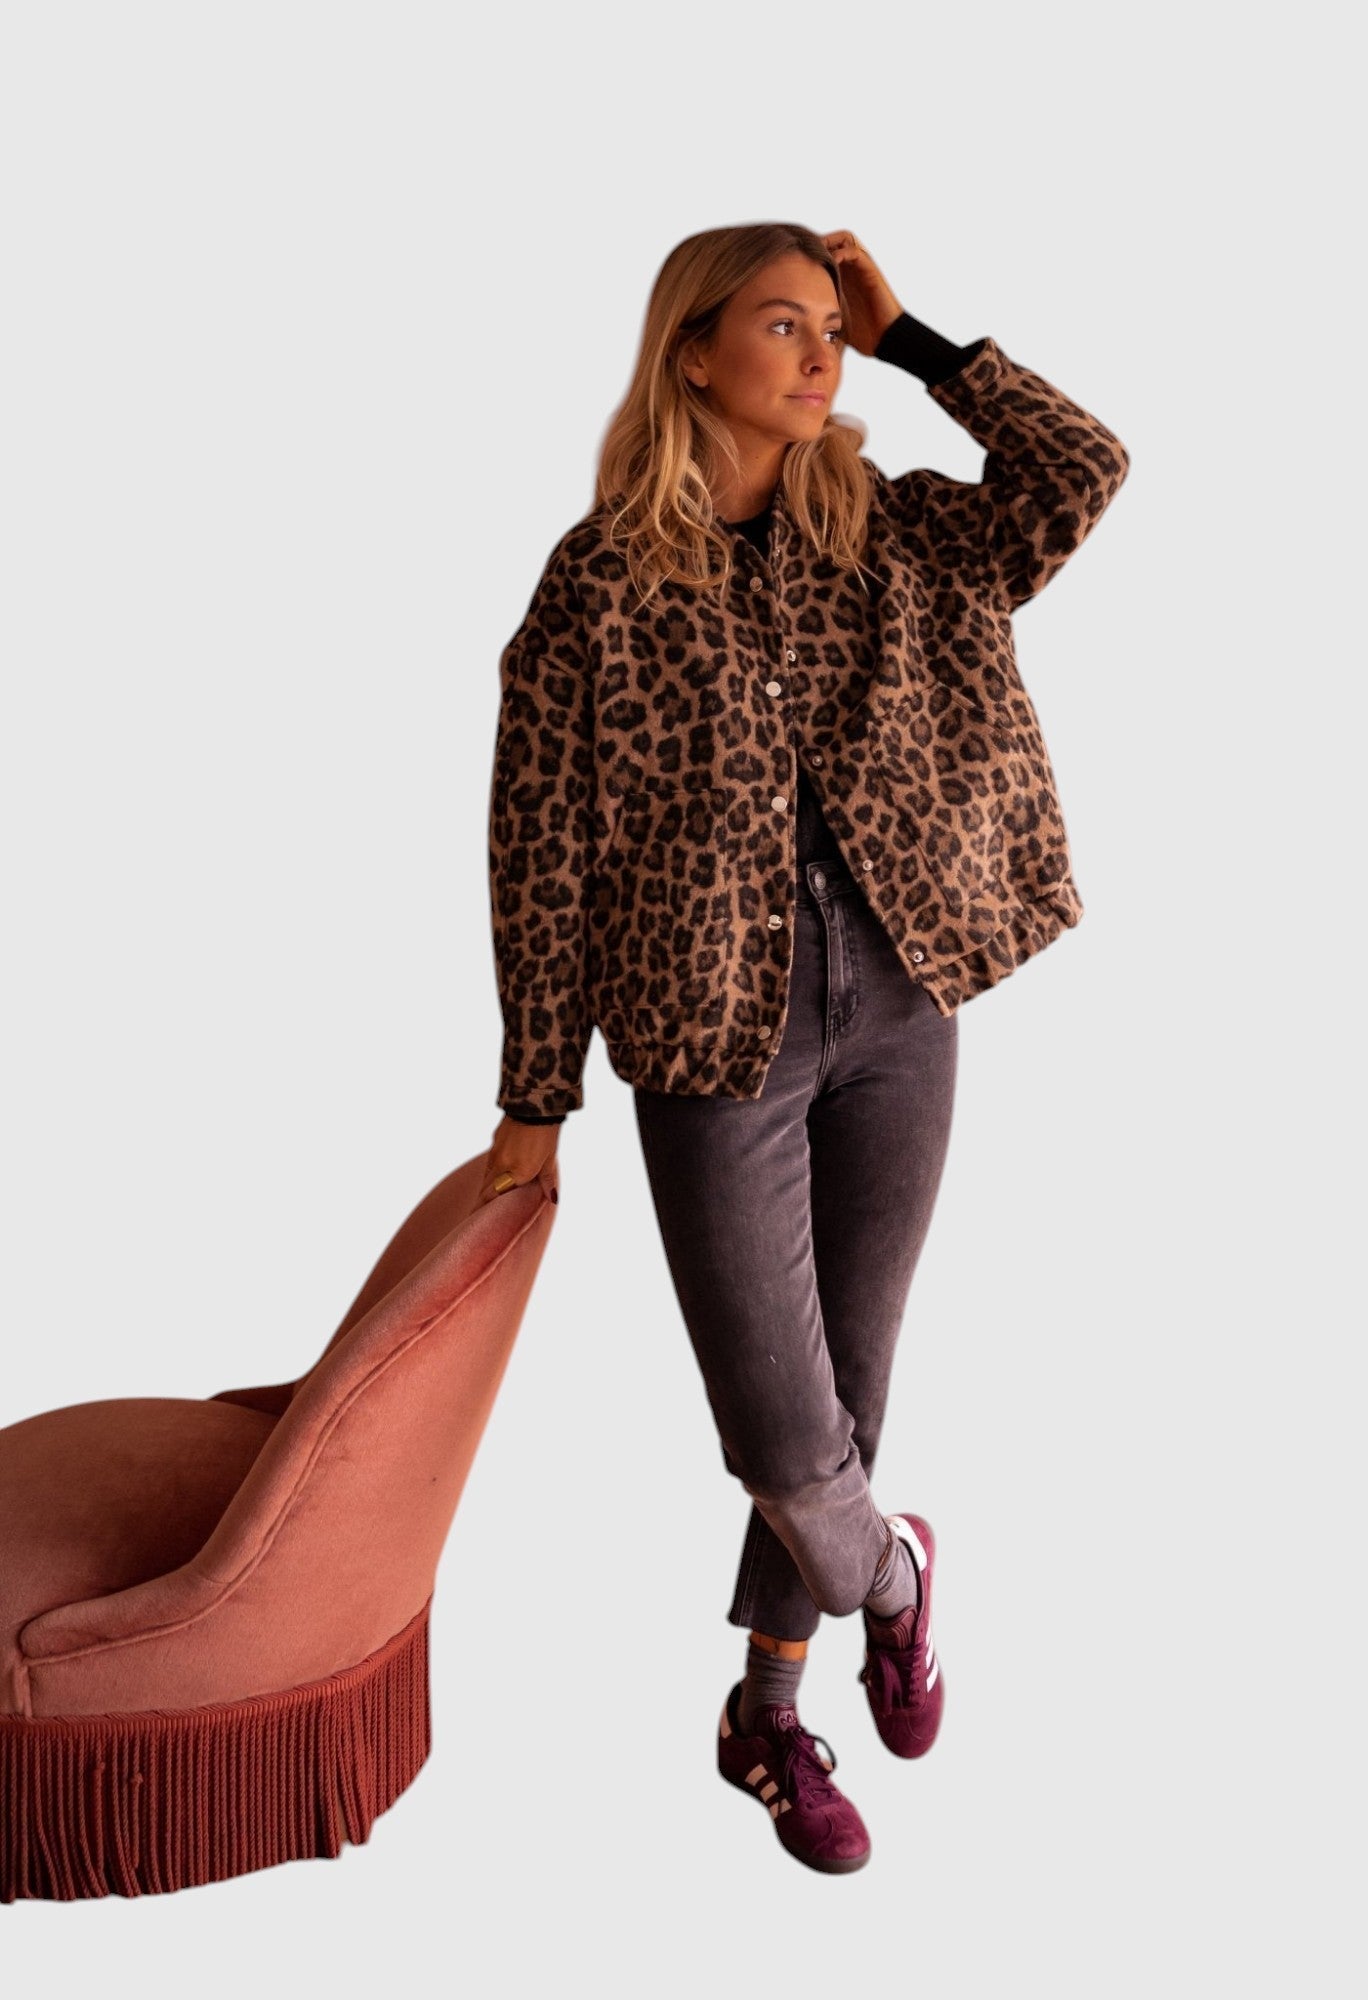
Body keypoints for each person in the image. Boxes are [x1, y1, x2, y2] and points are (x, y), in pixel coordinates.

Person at [479, 223, 1130, 1874]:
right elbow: (540, 844)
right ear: (692, 352)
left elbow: (1084, 470)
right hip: (714, 1033)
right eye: (786, 323)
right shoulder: (597, 582)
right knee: (785, 1431)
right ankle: (893, 1580)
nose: (821, 348)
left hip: (905, 998)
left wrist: (922, 343)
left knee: (851, 1386)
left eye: (832, 326)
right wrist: (536, 1093)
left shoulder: (901, 532)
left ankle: (766, 1719)